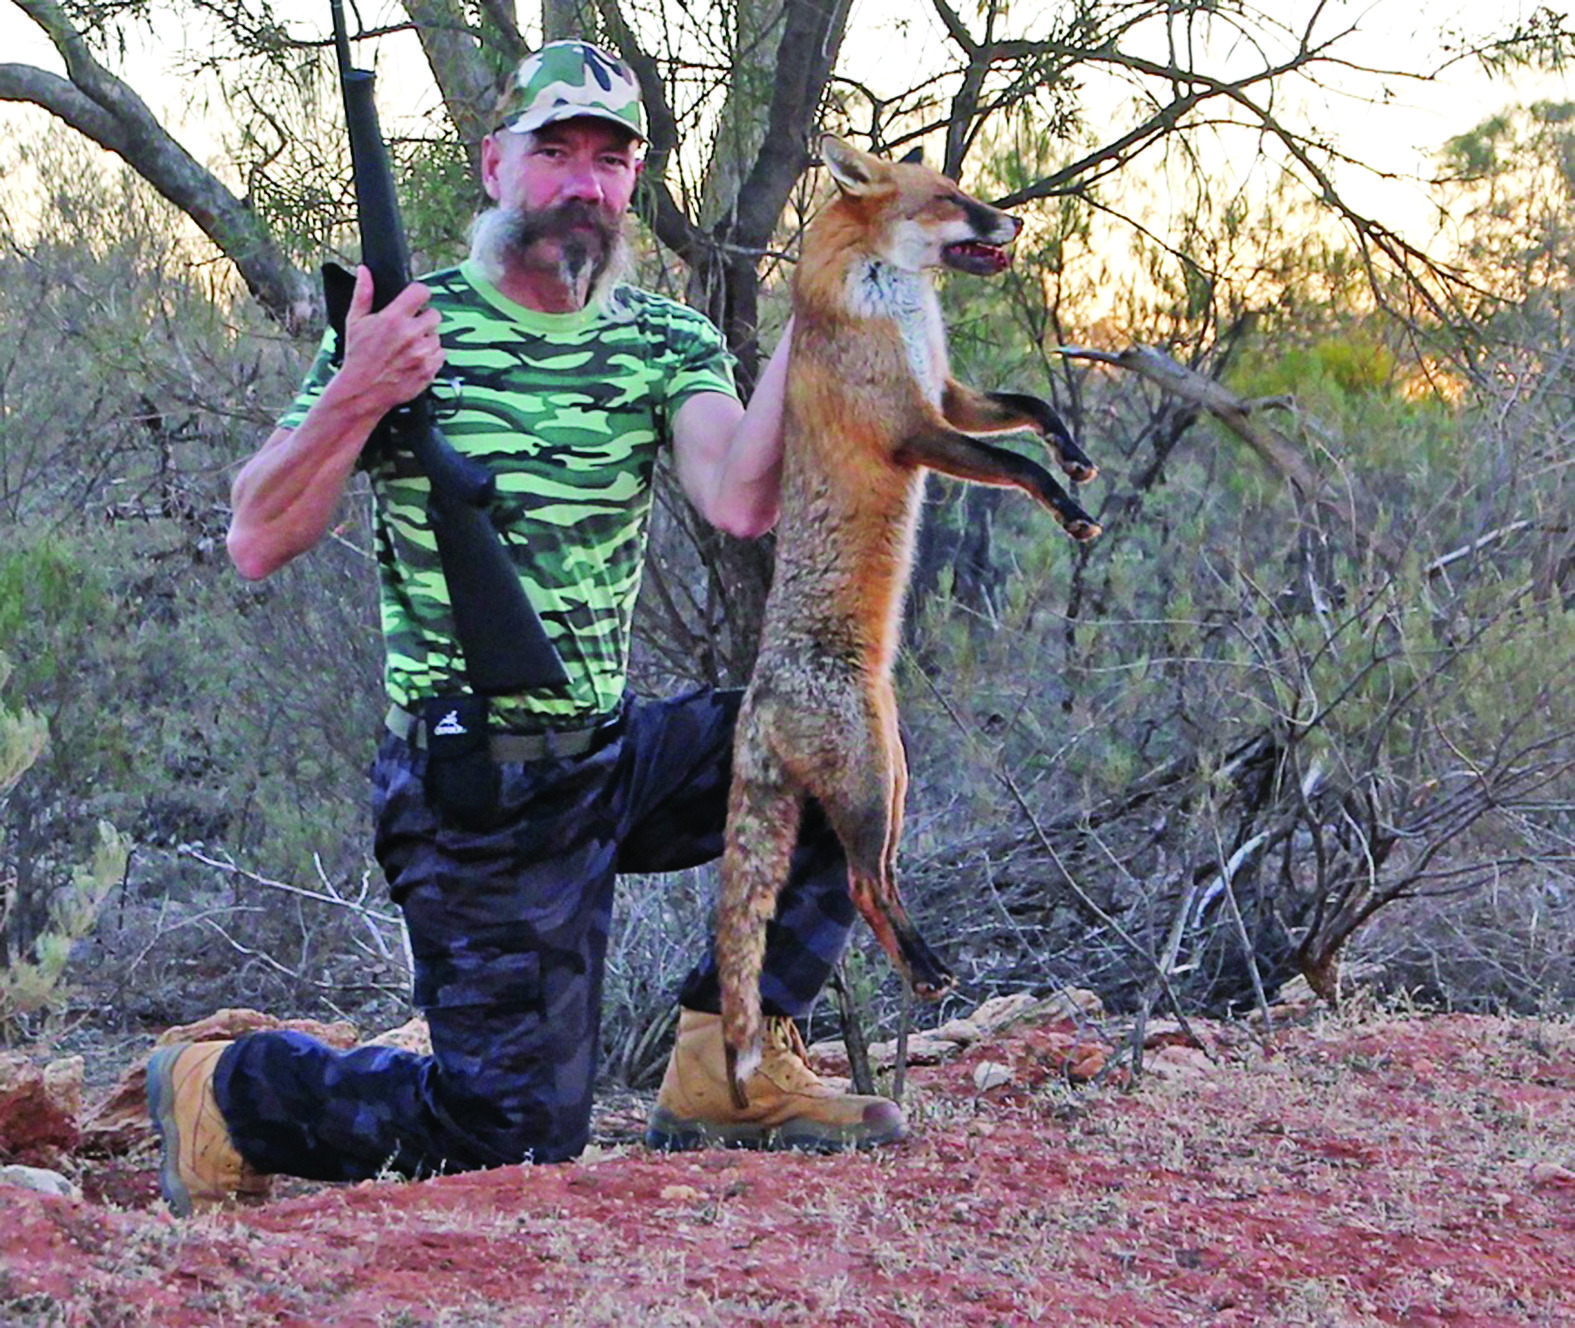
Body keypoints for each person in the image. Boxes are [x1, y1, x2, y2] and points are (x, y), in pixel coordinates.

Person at [144, 40, 904, 1215]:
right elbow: (257, 535)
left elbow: (741, 496)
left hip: (604, 750)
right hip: (474, 788)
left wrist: (820, 302)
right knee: (509, 1137)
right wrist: (363, 385)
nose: (583, 183)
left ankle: (729, 1063)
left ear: (632, 183)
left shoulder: (664, 341)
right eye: (556, 151)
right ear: (495, 165)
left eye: (611, 159)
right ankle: (230, 1090)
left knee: (837, 735)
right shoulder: (405, 323)